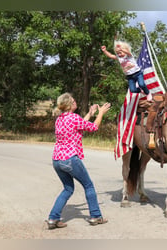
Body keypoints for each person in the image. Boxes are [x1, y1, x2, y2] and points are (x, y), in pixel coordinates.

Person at [46, 93, 111, 229]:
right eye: (74, 101)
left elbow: (81, 124)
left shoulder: (60, 119)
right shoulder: (74, 118)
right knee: (88, 185)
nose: (76, 102)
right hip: (70, 159)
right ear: (70, 105)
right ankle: (96, 216)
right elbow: (93, 127)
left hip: (57, 160)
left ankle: (53, 219)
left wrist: (90, 113)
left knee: (68, 189)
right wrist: (101, 113)